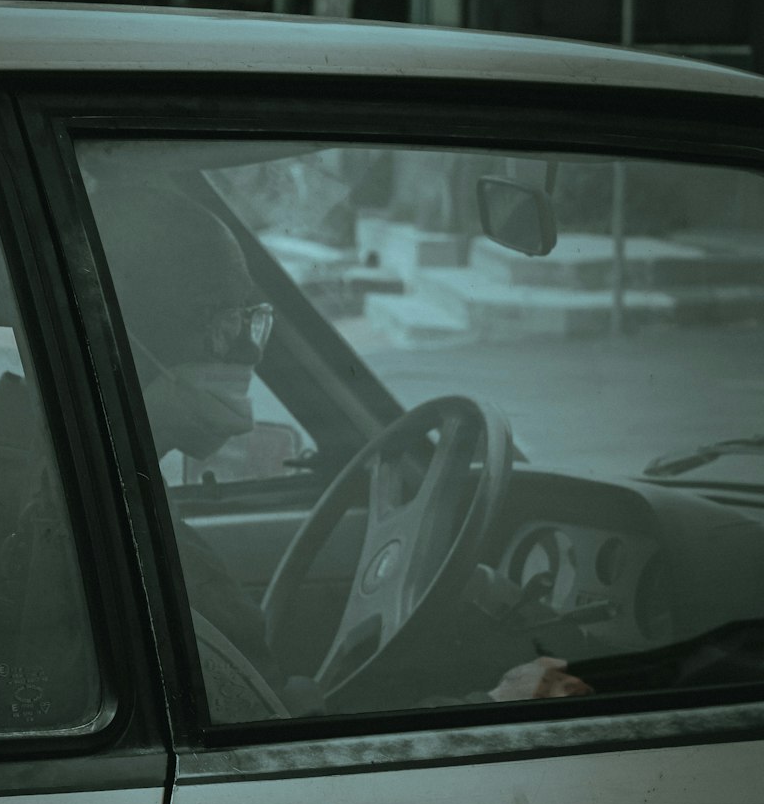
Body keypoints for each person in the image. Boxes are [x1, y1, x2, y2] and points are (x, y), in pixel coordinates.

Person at [97, 187, 592, 716]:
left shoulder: (94, 491)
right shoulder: (124, 526)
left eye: (253, 323)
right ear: (121, 337)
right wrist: (500, 702)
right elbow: (274, 751)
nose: (247, 352)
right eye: (222, 327)